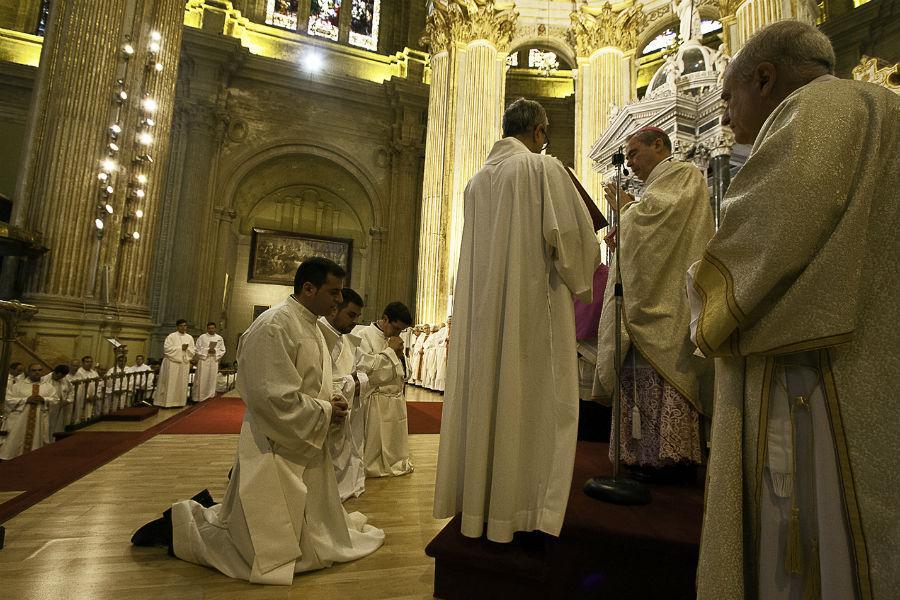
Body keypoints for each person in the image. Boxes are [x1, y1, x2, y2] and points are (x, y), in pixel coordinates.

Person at [691, 21, 899, 600]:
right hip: (874, 372)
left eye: (729, 99)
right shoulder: (886, 106)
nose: (727, 119)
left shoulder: (818, 108)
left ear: (765, 77)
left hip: (811, 381)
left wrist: (701, 301)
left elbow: (770, 230)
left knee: (807, 545)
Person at [132, 257, 383, 584]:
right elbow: (270, 396)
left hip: (302, 437)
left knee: (302, 525)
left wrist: (329, 400)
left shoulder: (309, 324)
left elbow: (310, 380)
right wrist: (323, 411)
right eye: (334, 292)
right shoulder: (274, 325)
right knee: (260, 546)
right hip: (275, 441)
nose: (339, 299)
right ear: (309, 288)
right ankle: (181, 527)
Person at [434, 98, 600, 543]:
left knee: (488, 401)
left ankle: (482, 507)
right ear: (540, 132)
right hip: (530, 311)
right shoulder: (542, 169)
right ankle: (522, 509)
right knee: (532, 404)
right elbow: (573, 242)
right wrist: (585, 279)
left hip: (484, 314)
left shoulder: (476, 181)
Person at [593, 126, 714, 481]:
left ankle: (672, 459)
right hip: (646, 298)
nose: (629, 163)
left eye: (633, 153)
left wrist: (628, 212)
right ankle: (640, 456)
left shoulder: (684, 176)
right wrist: (627, 231)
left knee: (668, 375)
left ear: (658, 145)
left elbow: (662, 221)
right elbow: (647, 229)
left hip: (669, 301)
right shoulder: (654, 187)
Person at [353, 302, 414, 477]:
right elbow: (366, 369)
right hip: (377, 399)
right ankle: (373, 465)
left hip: (395, 399)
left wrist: (400, 356)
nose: (397, 334)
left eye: (401, 331)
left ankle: (395, 462)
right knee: (376, 443)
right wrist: (389, 351)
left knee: (394, 441)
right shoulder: (364, 336)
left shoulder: (395, 339)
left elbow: (404, 373)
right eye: (395, 328)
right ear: (385, 319)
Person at [319, 287, 369, 500]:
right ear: (333, 310)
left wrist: (358, 381)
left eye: (358, 316)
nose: (355, 322)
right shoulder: (317, 333)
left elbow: (356, 370)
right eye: (351, 315)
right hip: (320, 409)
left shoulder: (348, 340)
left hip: (342, 408)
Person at [0, 363, 59, 460]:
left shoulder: (48, 387)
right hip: (20, 421)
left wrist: (44, 399)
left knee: (37, 442)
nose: (37, 373)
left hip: (40, 420)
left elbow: (56, 400)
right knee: (15, 441)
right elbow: (8, 400)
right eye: (34, 370)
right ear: (28, 372)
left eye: (39, 370)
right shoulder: (18, 386)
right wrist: (26, 400)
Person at [154, 320, 195, 408]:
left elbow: (192, 350)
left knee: (182, 382)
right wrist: (180, 348)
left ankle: (179, 402)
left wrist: (186, 351)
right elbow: (167, 349)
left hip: (183, 363)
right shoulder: (171, 336)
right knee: (170, 382)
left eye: (185, 325)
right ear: (177, 326)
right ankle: (167, 403)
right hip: (172, 362)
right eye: (181, 326)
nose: (183, 327)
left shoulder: (189, 337)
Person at [191, 322, 225, 403]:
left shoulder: (219, 338)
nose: (211, 330)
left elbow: (223, 349)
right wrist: (207, 351)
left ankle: (211, 395)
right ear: (207, 329)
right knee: (202, 378)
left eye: (212, 328)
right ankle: (200, 396)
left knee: (212, 378)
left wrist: (215, 351)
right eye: (209, 328)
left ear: (215, 328)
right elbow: (196, 349)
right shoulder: (202, 337)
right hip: (204, 360)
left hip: (213, 360)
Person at [42, 364, 74, 434]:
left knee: (58, 426)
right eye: (59, 376)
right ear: (55, 372)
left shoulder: (65, 380)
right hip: (48, 407)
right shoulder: (44, 380)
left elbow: (71, 391)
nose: (61, 378)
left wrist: (68, 400)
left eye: (63, 376)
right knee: (47, 426)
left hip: (60, 406)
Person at [72, 355, 100, 420]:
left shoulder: (94, 373)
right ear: (82, 363)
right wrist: (87, 396)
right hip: (81, 399)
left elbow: (99, 385)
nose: (89, 363)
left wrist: (95, 395)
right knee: (79, 416)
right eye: (87, 362)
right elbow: (80, 387)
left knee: (89, 417)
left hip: (92, 399)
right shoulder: (78, 373)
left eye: (91, 362)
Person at [433, 317, 451, 393]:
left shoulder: (456, 329)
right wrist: (445, 339)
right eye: (449, 322)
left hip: (450, 351)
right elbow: (437, 340)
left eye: (451, 322)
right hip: (443, 351)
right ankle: (441, 388)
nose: (450, 323)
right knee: (442, 369)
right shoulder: (442, 330)